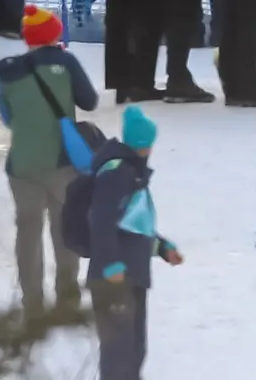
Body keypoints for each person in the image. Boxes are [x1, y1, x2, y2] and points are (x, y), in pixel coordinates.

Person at [0, 6, 99, 320]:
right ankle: (66, 298)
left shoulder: (8, 72)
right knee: (64, 228)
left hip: (21, 166)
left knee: (27, 231)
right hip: (62, 164)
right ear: (54, 35)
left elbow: (7, 116)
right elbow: (90, 101)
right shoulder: (66, 63)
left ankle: (32, 303)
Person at [87, 105, 184, 380]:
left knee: (133, 352)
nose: (149, 150)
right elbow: (101, 221)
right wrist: (110, 265)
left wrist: (163, 249)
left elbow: (134, 227)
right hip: (115, 280)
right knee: (119, 356)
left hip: (131, 277)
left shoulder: (131, 173)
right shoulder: (117, 174)